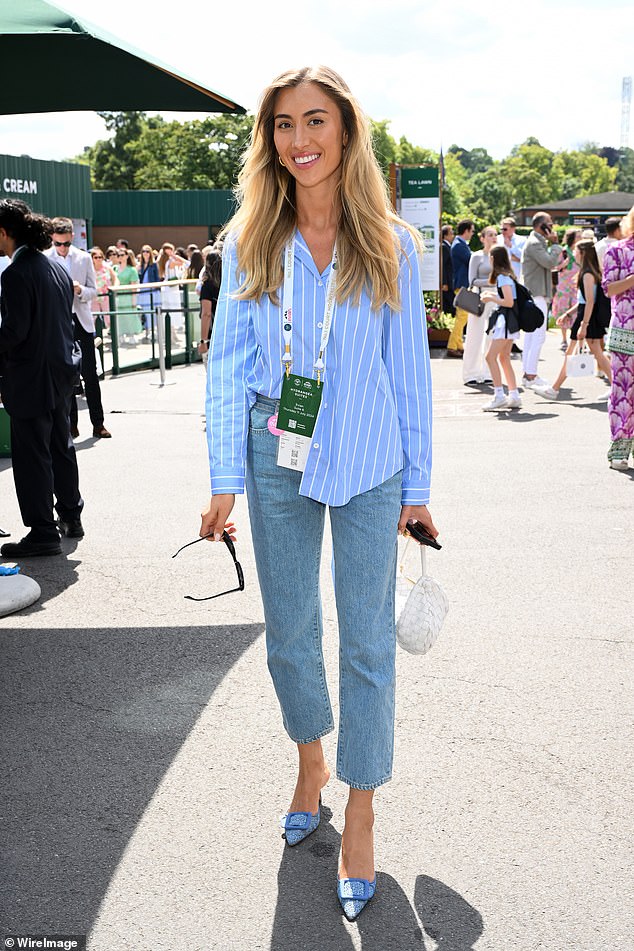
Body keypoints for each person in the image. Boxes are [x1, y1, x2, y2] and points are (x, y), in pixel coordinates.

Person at [200, 65, 436, 922]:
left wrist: (419, 485)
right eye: (284, 126)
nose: (299, 141)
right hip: (275, 451)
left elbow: (409, 373)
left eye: (316, 122)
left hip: (370, 456)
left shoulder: (394, 246)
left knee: (366, 639)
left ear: (346, 132)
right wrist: (224, 473)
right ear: (270, 139)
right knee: (290, 628)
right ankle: (311, 758)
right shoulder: (249, 241)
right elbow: (227, 362)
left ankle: (363, 803)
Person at [0, 199, 84, 557]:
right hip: (60, 370)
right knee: (59, 447)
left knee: (33, 454)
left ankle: (42, 530)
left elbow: (14, 332)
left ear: (4, 233)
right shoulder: (55, 268)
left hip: (30, 375)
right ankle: (70, 515)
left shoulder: (16, 273)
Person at [46, 217, 111, 439]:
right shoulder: (46, 258)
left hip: (81, 320)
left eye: (65, 243)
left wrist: (80, 290)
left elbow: (95, 290)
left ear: (72, 238)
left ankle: (98, 423)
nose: (62, 248)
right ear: (52, 240)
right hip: (59, 323)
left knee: (90, 375)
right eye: (57, 244)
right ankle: (70, 425)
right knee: (65, 377)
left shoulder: (84, 258)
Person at [534, 240, 612, 402]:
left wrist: (584, 325)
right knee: (594, 353)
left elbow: (590, 301)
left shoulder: (588, 274)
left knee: (584, 354)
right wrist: (569, 313)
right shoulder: (589, 272)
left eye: (576, 251)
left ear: (583, 253)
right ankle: (616, 387)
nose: (574, 254)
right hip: (587, 316)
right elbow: (584, 300)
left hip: (587, 318)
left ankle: (554, 389)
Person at [602, 206, 634, 469]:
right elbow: (609, 288)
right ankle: (619, 451)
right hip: (626, 330)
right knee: (623, 392)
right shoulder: (618, 250)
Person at [520, 212, 562, 388]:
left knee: (531, 337)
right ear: (541, 226)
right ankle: (531, 375)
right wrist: (556, 245)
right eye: (549, 224)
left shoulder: (536, 242)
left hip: (535, 293)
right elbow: (550, 262)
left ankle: (528, 374)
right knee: (538, 336)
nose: (552, 227)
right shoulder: (536, 243)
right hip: (536, 295)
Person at [480, 246, 522, 410]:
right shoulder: (508, 276)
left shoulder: (503, 278)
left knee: (490, 357)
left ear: (493, 259)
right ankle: (514, 395)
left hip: (505, 321)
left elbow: (509, 302)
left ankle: (499, 395)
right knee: (504, 357)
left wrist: (491, 297)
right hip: (510, 322)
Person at [463, 226, 497, 385]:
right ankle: (470, 374)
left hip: (496, 298)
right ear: (482, 238)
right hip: (479, 297)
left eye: (495, 235)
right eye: (490, 235)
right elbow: (472, 280)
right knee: (474, 336)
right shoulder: (476, 256)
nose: (493, 237)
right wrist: (490, 281)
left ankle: (488, 372)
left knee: (492, 336)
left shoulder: (499, 256)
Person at [447, 219, 475, 357]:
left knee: (462, 316)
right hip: (461, 284)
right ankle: (452, 346)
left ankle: (458, 344)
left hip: (461, 284)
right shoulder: (459, 245)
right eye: (472, 231)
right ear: (466, 231)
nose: (473, 234)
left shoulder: (459, 244)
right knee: (462, 317)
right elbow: (471, 259)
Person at [551, 228, 581, 350]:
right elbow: (553, 267)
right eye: (578, 236)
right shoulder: (563, 252)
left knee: (577, 313)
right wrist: (562, 265)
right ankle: (563, 339)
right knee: (563, 311)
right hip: (563, 287)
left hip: (576, 287)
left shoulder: (581, 252)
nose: (581, 238)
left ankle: (575, 338)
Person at [197, 244, 222, 365]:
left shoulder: (207, 285)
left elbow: (206, 313)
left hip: (214, 334)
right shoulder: (231, 284)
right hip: (230, 331)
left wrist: (203, 341)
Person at [157, 242, 187, 343]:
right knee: (172, 311)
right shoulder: (169, 261)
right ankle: (170, 336)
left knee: (170, 311)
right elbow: (183, 263)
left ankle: (172, 334)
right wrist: (174, 255)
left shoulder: (164, 261)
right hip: (171, 289)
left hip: (169, 288)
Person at [114, 248, 142, 344]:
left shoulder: (132, 270)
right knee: (119, 317)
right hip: (117, 296)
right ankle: (120, 335)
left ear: (126, 256)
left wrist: (134, 300)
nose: (120, 257)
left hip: (128, 296)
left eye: (122, 255)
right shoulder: (114, 268)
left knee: (130, 316)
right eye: (118, 255)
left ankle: (131, 335)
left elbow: (134, 287)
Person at [90, 246, 118, 330]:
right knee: (93, 318)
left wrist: (114, 288)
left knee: (109, 317)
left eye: (100, 257)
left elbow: (116, 279)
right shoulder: (89, 269)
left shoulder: (107, 268)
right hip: (94, 297)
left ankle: (113, 335)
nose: (98, 259)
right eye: (96, 257)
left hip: (106, 297)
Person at [137, 244, 159, 339]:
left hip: (152, 291)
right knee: (145, 312)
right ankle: (147, 331)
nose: (145, 253)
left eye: (147, 251)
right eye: (143, 251)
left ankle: (153, 331)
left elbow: (157, 278)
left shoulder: (154, 265)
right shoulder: (140, 266)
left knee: (152, 312)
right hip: (143, 291)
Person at [441, 224, 454, 317]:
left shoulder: (448, 246)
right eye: (451, 233)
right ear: (445, 235)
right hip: (447, 282)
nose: (453, 235)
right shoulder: (444, 247)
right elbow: (443, 266)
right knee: (448, 304)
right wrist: (444, 282)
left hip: (449, 281)